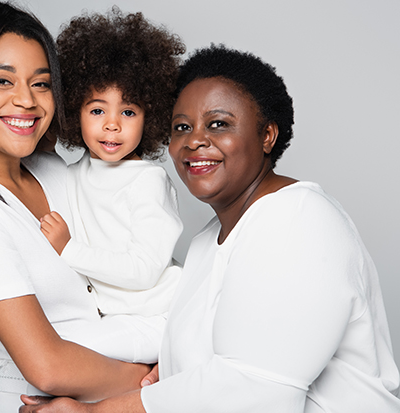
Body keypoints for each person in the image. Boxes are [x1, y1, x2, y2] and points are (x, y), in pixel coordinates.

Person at [20, 44, 400, 412]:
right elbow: (207, 371)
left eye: (218, 124)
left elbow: (255, 392)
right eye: (182, 127)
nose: (195, 140)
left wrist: (95, 412)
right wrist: (164, 375)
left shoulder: (299, 219)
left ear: (267, 135)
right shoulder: (207, 241)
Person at [0, 2, 166, 412]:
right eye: (2, 81)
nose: (25, 99)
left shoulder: (52, 169)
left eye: (41, 84)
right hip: (43, 401)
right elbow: (46, 367)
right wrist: (158, 383)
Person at [39, 9, 184, 325]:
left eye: (129, 112)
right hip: (112, 318)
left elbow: (144, 270)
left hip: (160, 314)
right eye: (96, 111)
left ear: (152, 116)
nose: (112, 125)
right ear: (73, 111)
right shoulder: (74, 173)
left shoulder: (148, 181)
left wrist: (69, 249)